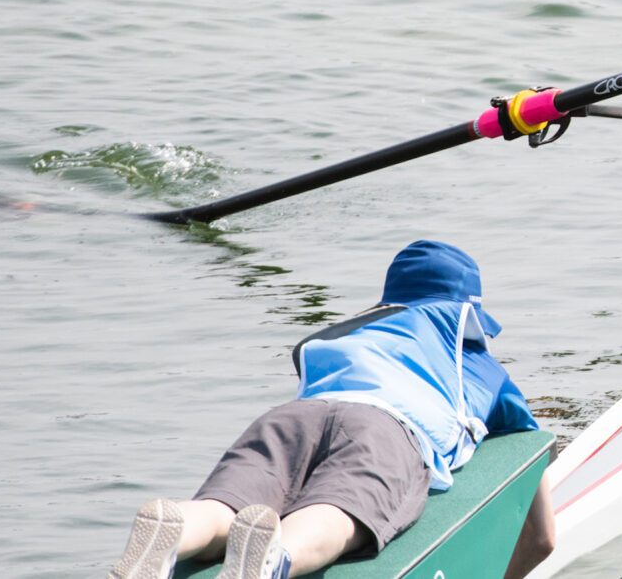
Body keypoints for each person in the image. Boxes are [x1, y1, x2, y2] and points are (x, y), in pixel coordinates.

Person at [107, 240, 556, 579]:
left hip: (293, 416)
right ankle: (274, 557)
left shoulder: (356, 333)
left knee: (227, 505)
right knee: (342, 512)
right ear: (468, 312)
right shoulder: (480, 366)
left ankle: (176, 524)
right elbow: (535, 489)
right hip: (387, 430)